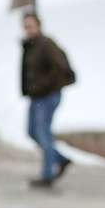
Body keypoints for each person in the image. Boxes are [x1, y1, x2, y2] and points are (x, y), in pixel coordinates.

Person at [21, 10, 75, 188]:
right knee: (32, 131)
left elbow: (59, 68)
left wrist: (44, 85)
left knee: (43, 132)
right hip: (36, 96)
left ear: (38, 26)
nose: (28, 29)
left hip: (48, 95)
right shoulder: (30, 45)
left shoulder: (46, 44)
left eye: (31, 26)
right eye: (26, 26)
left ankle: (47, 175)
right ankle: (60, 159)